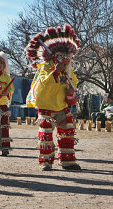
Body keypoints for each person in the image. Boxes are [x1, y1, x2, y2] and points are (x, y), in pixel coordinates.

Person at [26, 24, 81, 171]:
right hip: (45, 105)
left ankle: (67, 160)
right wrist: (55, 72)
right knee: (45, 133)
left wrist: (71, 88)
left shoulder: (69, 70)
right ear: (54, 55)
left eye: (68, 57)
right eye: (62, 56)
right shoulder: (45, 67)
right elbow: (43, 83)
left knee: (67, 130)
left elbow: (74, 82)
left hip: (61, 105)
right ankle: (46, 161)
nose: (66, 59)